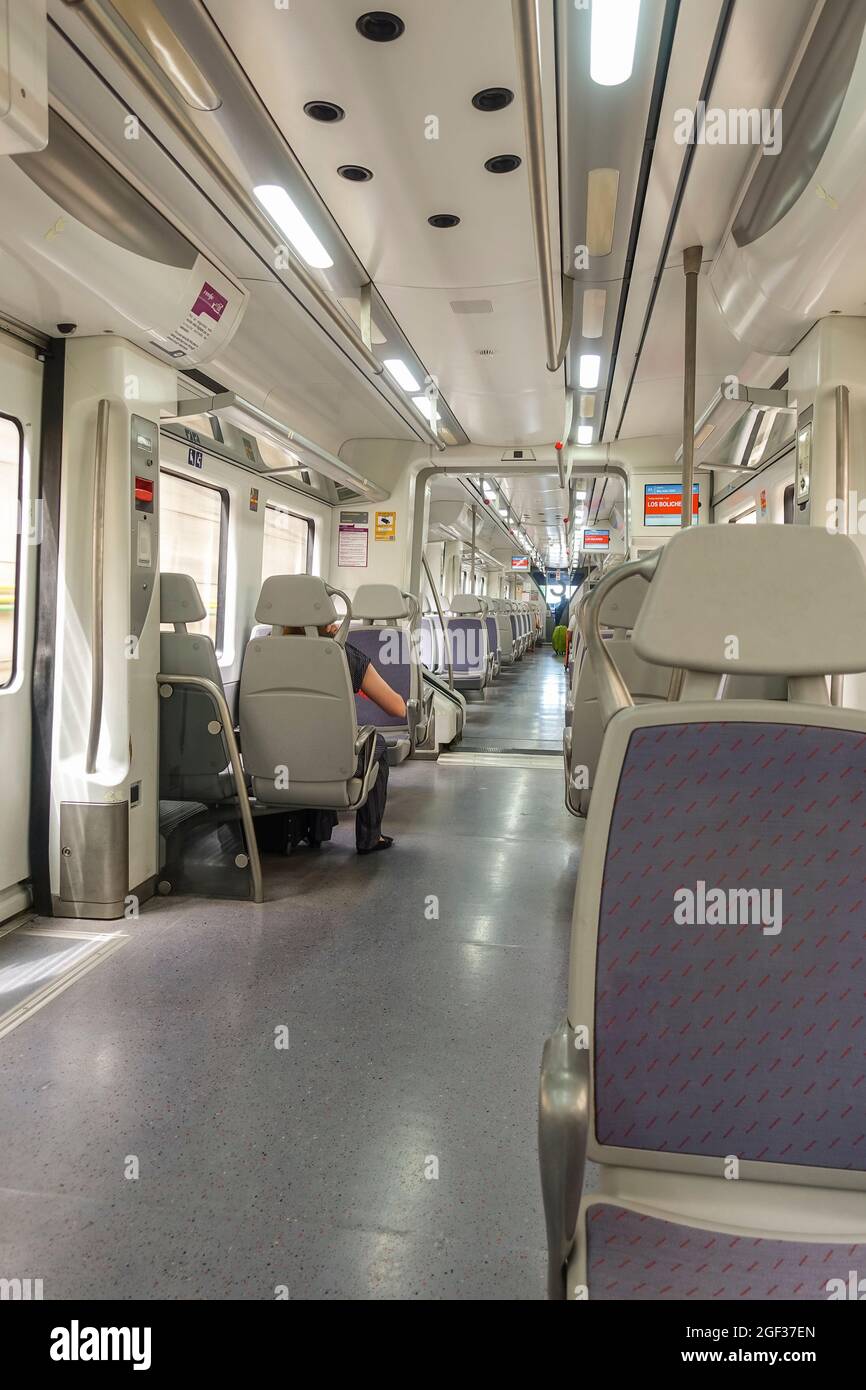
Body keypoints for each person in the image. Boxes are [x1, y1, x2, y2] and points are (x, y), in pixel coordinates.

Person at [282, 623, 406, 854]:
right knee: (375, 742)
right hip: (328, 760)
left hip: (276, 758)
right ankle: (370, 836)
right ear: (326, 618)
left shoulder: (260, 651)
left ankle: (315, 831)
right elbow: (397, 708)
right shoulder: (340, 653)